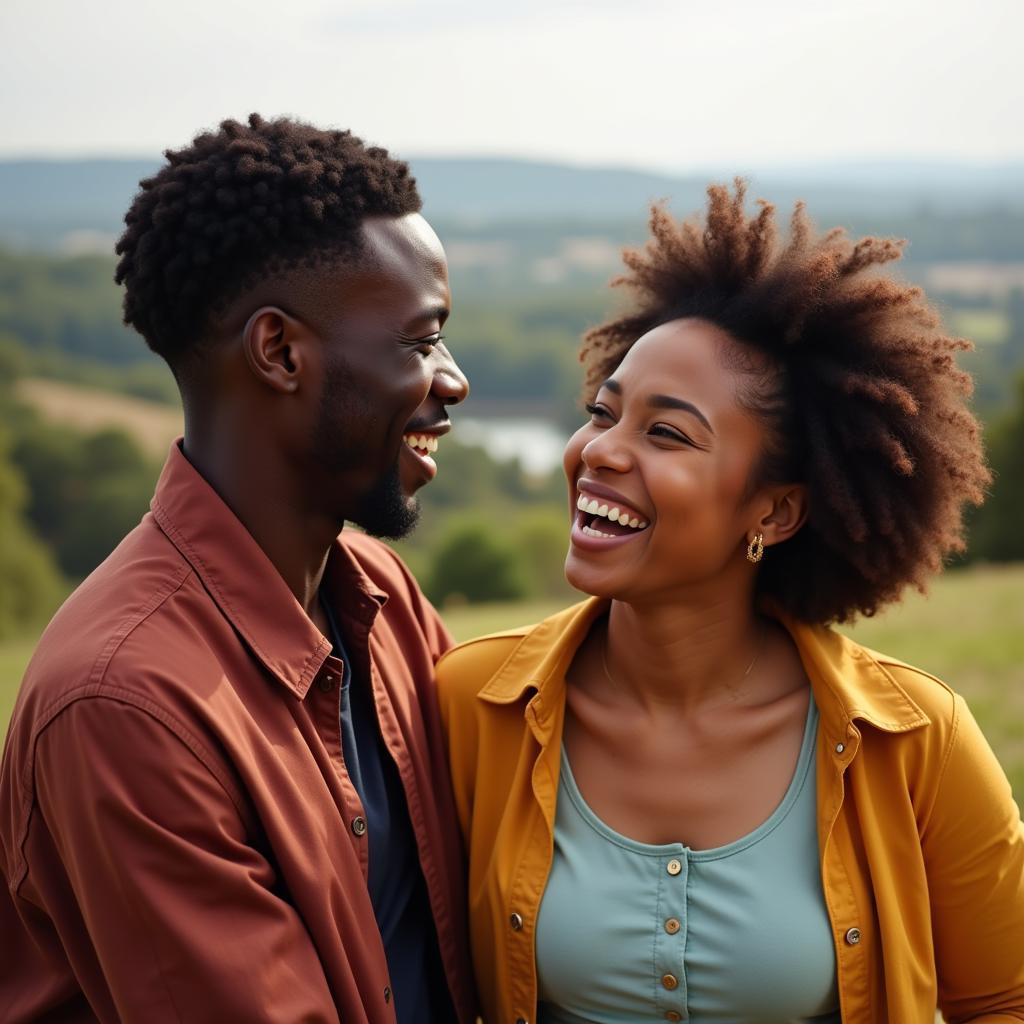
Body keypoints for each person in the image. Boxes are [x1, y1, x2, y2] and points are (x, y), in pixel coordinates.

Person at [437, 182, 1024, 1023]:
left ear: (775, 511)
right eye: (604, 413)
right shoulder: (472, 707)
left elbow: (1004, 1000)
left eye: (666, 433)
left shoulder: (916, 743)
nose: (601, 451)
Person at [0, 114, 476, 1023]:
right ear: (280, 352)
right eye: (420, 342)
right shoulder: (126, 703)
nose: (450, 380)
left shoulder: (384, 599)